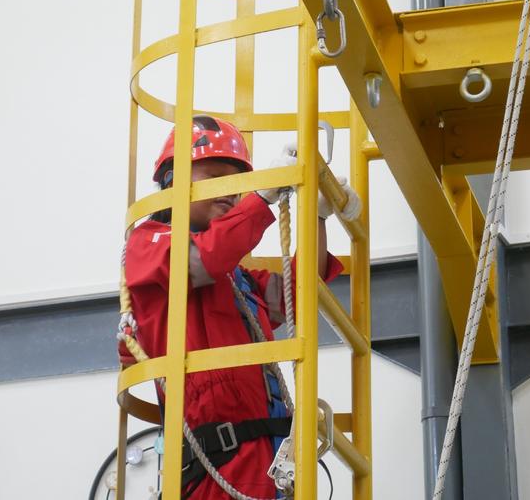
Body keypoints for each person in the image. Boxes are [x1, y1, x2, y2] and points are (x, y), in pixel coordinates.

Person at [120, 115, 360, 499]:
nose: (230, 190)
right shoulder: (149, 245)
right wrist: (261, 197)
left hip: (271, 464)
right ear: (171, 183)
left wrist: (316, 215)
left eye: (236, 180)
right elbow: (199, 260)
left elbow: (296, 296)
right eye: (214, 177)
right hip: (216, 468)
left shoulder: (237, 279)